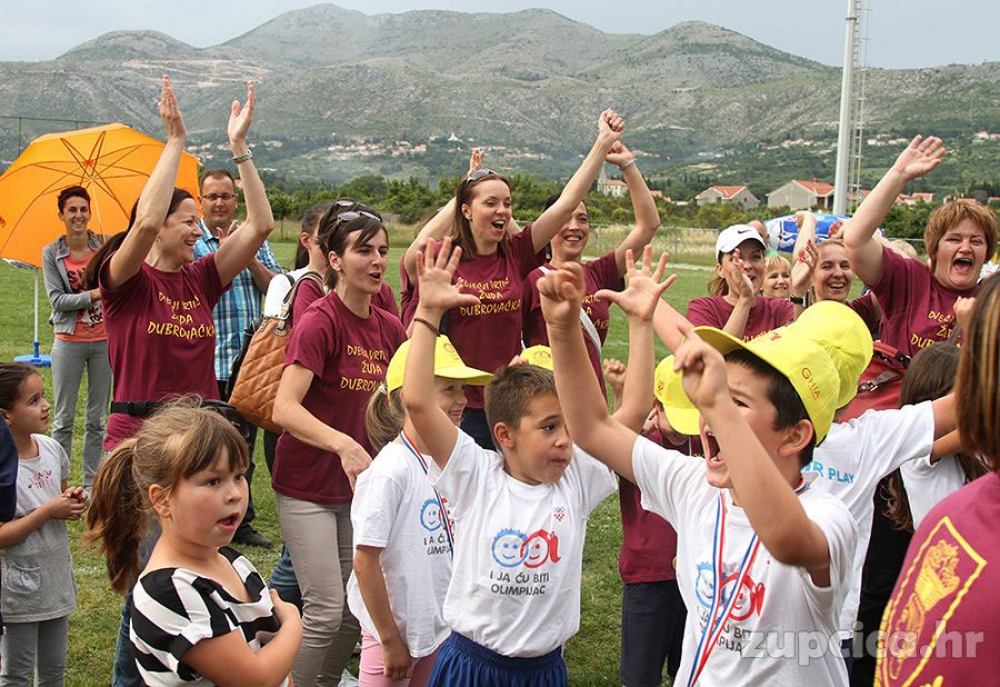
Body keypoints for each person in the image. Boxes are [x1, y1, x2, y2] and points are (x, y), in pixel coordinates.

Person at [540, 249, 856, 685]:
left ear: (795, 436)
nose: (708, 415)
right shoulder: (695, 485)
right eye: (716, 398)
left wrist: (717, 405)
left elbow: (785, 540)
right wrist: (562, 329)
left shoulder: (828, 517)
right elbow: (593, 428)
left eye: (737, 401)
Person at [86, 75, 275, 687]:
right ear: (161, 222)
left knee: (191, 568)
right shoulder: (126, 282)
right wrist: (175, 141)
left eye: (199, 221)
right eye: (188, 220)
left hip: (197, 435)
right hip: (139, 439)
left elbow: (260, 227)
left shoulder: (201, 280)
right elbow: (139, 228)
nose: (199, 230)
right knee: (153, 576)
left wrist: (240, 149)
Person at [402, 239, 617, 686]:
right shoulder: (473, 474)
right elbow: (419, 402)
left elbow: (610, 421)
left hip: (543, 670)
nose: (565, 440)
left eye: (566, 427)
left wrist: (571, 328)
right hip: (471, 665)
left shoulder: (573, 481)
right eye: (549, 427)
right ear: (505, 435)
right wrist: (427, 313)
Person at [403, 110, 625, 448]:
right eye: (490, 203)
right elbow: (412, 255)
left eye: (507, 203)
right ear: (466, 210)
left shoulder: (516, 253)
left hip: (509, 403)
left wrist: (602, 143)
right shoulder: (447, 258)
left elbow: (565, 205)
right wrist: (464, 186)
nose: (503, 211)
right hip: (459, 406)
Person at [271, 207, 407, 686]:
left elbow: (408, 400)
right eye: (363, 250)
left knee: (357, 611)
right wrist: (344, 445)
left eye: (383, 251)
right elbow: (283, 408)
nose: (376, 261)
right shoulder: (320, 320)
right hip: (307, 486)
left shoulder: (390, 328)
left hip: (361, 491)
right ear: (334, 258)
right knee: (327, 610)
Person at [85, 404, 302, 686]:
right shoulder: (169, 590)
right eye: (213, 481)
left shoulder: (233, 562)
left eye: (238, 476)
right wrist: (294, 623)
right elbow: (256, 679)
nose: (234, 494)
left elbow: (275, 662)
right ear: (162, 500)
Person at [876, 273, 1000, 685]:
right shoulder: (917, 454)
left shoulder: (973, 453)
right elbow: (974, 419)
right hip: (947, 585)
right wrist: (974, 333)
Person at [347, 336, 491, 686]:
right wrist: (390, 640)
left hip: (440, 628)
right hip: (392, 635)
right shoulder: (389, 472)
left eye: (462, 388)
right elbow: (365, 561)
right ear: (411, 398)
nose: (462, 400)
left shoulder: (456, 462)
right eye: (449, 389)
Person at [521, 139, 661, 387]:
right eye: (565, 218)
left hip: (592, 403)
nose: (574, 227)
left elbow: (648, 225)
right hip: (544, 401)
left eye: (582, 219)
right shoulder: (532, 279)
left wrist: (628, 165)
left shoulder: (600, 272)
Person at [843, 135, 997, 355]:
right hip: (904, 390)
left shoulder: (992, 300)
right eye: (954, 239)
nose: (966, 247)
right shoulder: (909, 279)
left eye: (976, 241)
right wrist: (898, 175)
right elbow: (855, 240)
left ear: (987, 253)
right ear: (934, 249)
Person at [194, 169, 282, 549]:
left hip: (251, 361)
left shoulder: (253, 238)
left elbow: (277, 286)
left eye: (226, 196)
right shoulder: (192, 239)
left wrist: (246, 256)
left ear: (236, 200)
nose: (219, 203)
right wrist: (224, 254)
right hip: (211, 358)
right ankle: (208, 518)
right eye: (212, 196)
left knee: (244, 446)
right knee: (210, 445)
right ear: (201, 201)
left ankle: (241, 521)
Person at [0, 362, 86, 686]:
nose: (46, 406)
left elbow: (59, 493)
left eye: (44, 397)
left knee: (53, 672)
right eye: (33, 400)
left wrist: (72, 498)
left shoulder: (52, 449)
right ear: (5, 415)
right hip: (17, 592)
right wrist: (48, 512)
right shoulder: (3, 471)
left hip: (55, 582)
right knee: (16, 675)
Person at [41, 185, 112, 491]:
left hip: (104, 341)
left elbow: (118, 286)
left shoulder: (105, 246)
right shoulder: (51, 253)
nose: (78, 215)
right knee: (63, 419)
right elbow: (57, 300)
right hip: (68, 341)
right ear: (62, 215)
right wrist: (95, 293)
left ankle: (91, 483)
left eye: (83, 209)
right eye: (72, 210)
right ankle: (59, 482)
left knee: (98, 419)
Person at [890, 342, 990, 530]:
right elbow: (973, 431)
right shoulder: (915, 450)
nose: (974, 401)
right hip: (947, 555)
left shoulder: (974, 451)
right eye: (964, 394)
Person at [687, 224, 795, 340]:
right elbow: (716, 356)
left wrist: (799, 291)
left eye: (755, 257)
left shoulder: (780, 309)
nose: (747, 265)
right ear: (720, 270)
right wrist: (745, 300)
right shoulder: (704, 309)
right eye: (737, 259)